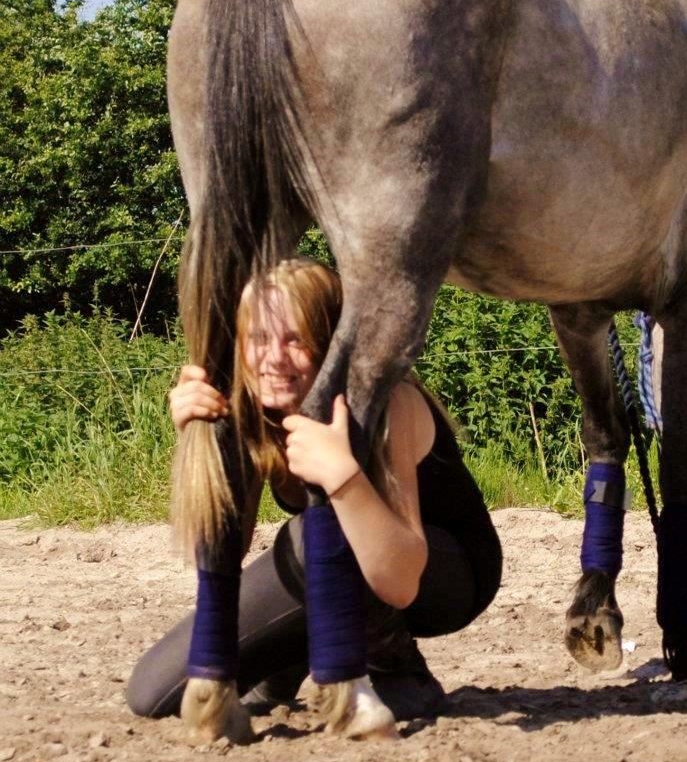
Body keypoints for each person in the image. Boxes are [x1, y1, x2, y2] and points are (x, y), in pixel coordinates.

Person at [126, 256, 502, 721]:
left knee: (312, 535)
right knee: (153, 694)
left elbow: (403, 582)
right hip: (327, 569)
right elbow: (231, 547)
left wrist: (344, 479)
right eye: (259, 339)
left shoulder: (389, 402)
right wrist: (208, 441)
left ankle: (398, 670)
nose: (274, 358)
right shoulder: (251, 404)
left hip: (445, 576)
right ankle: (294, 653)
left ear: (331, 344)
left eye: (295, 339)